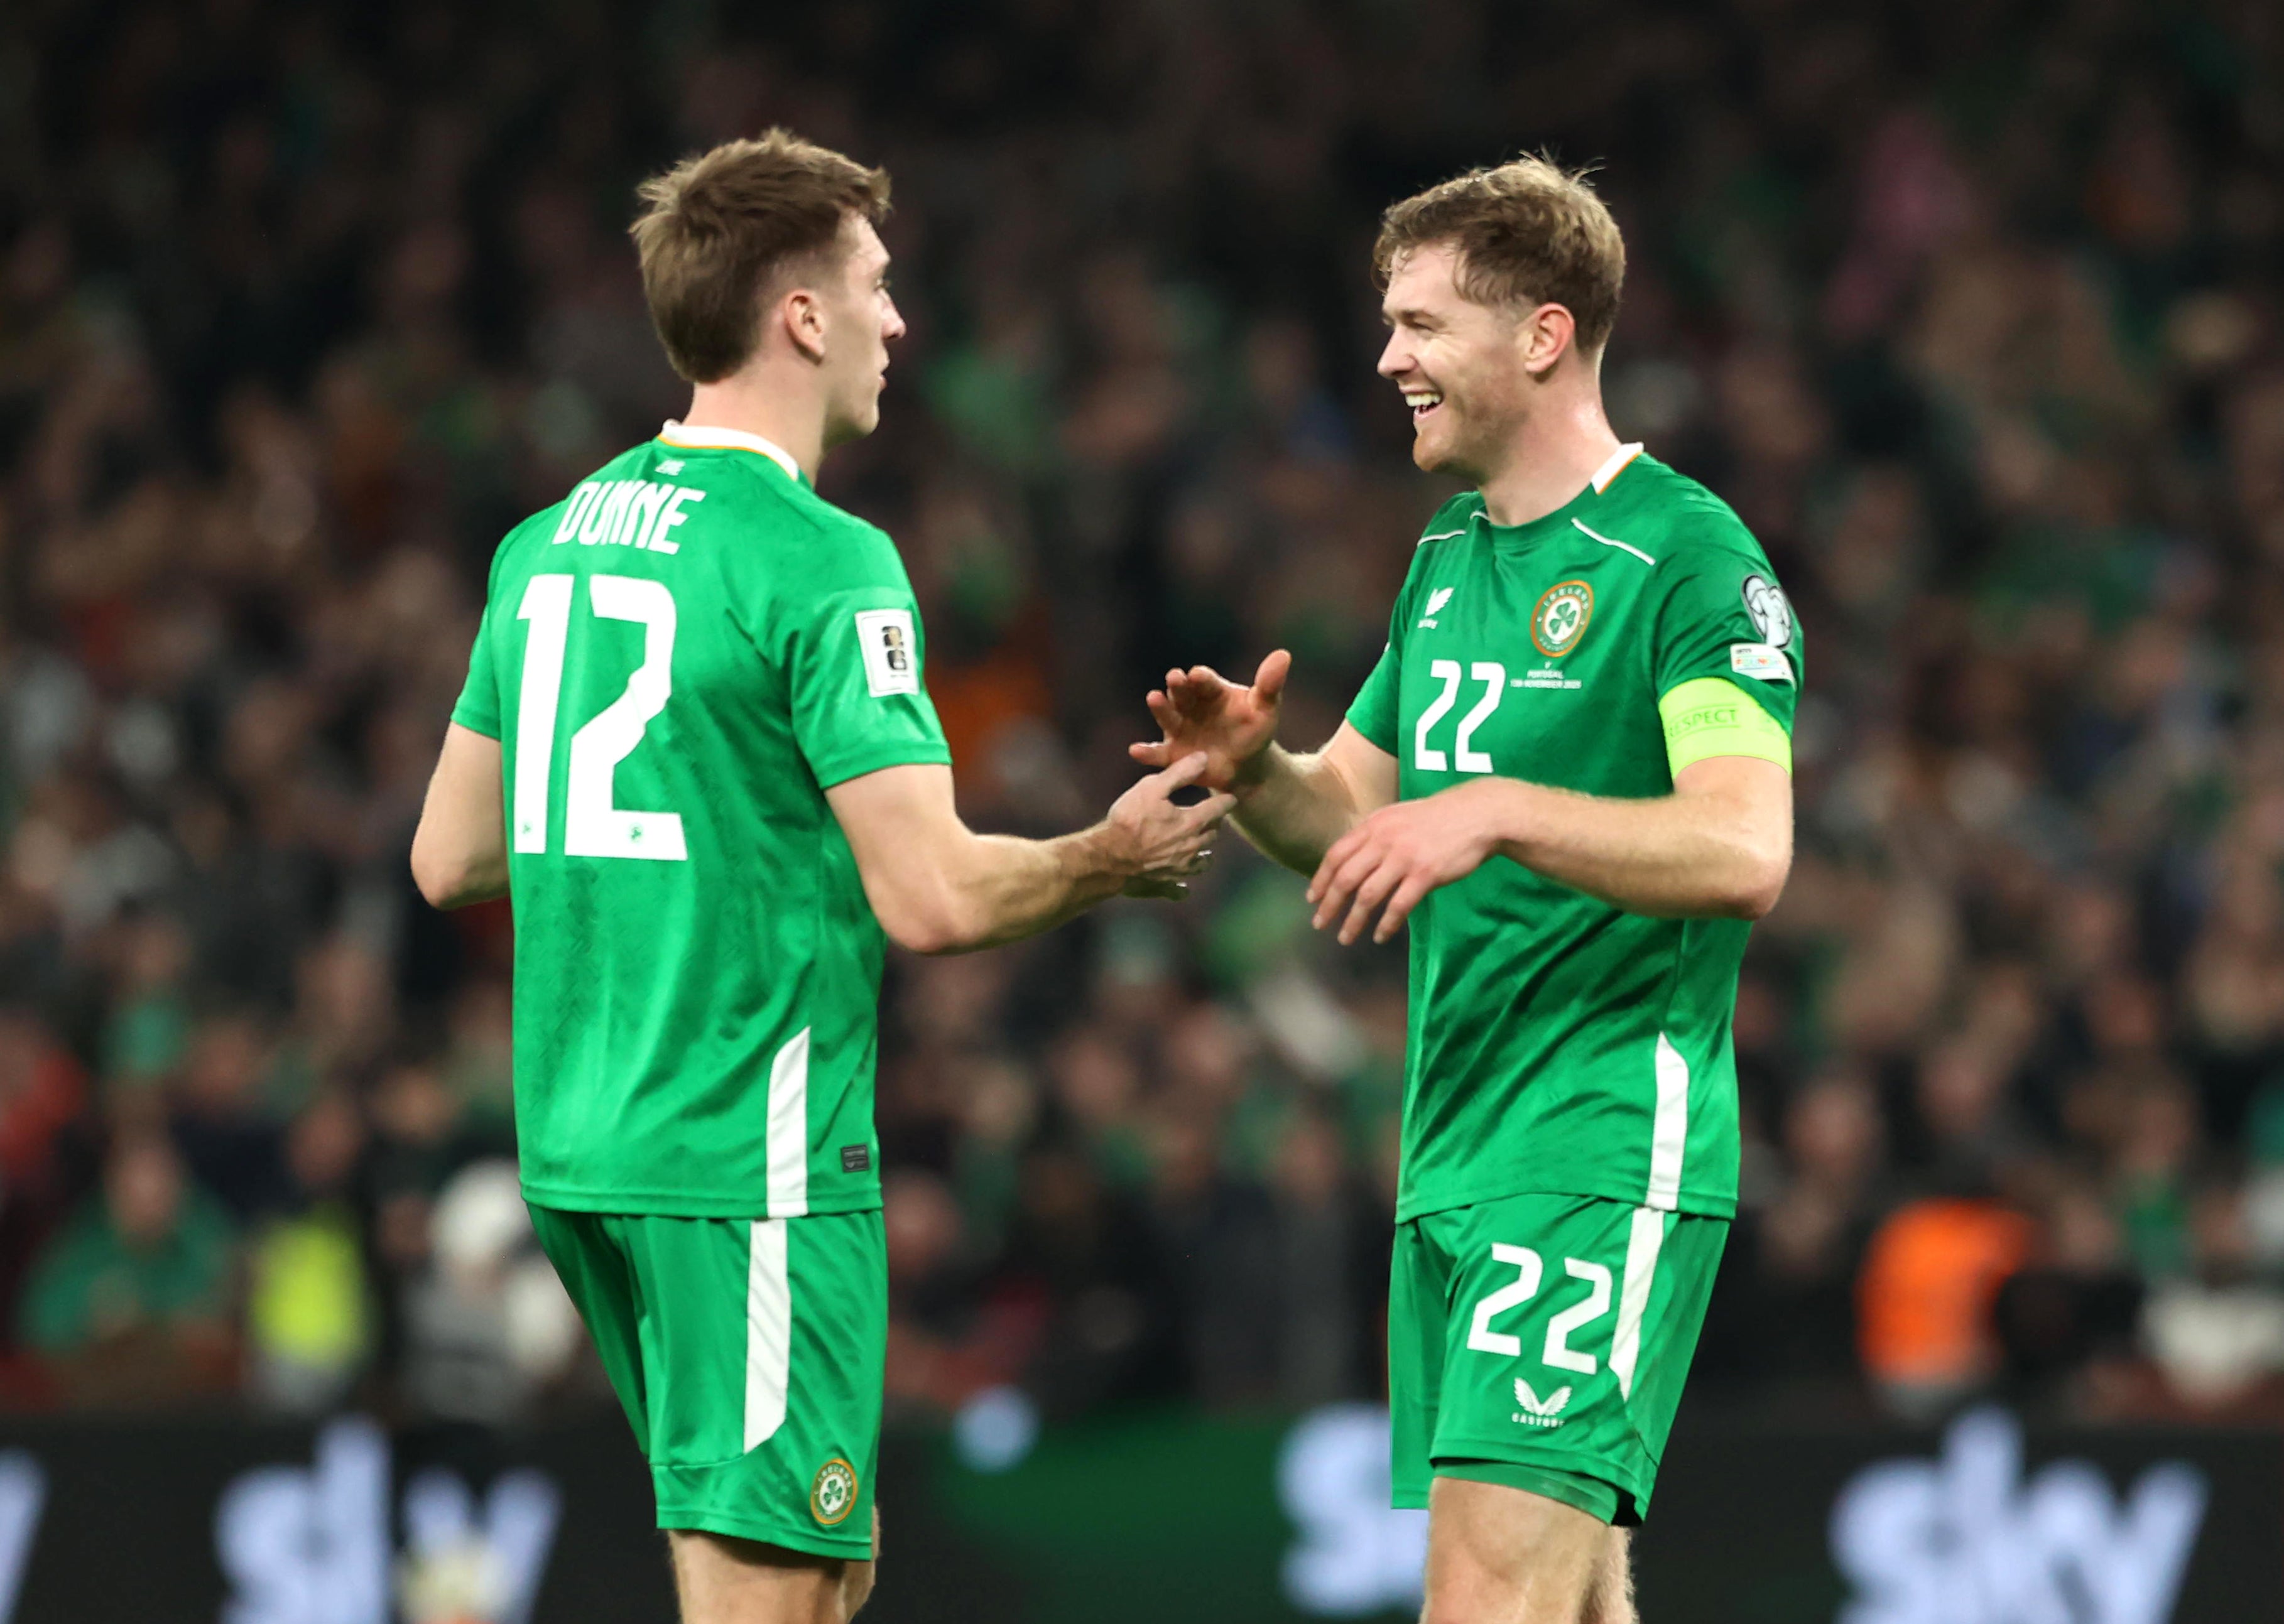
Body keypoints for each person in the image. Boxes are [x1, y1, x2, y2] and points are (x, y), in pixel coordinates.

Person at [410, 129, 1229, 1624]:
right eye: (876, 284)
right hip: (751, 1159)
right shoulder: (820, 557)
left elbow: (450, 853)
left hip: (587, 1142)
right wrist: (1109, 858)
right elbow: (936, 899)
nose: (898, 322)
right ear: (800, 315)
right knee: (775, 1594)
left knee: (807, 1570)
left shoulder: (545, 547)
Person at [1132, 157, 1799, 1623]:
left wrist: (1492, 812)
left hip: (1598, 1145)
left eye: (1424, 325)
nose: (1389, 358)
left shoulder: (1688, 563)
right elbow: (1357, 826)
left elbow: (1744, 848)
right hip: (1455, 1153)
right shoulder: (1449, 559)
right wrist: (1255, 776)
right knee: (1569, 1597)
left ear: (1542, 337)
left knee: (1489, 1598)